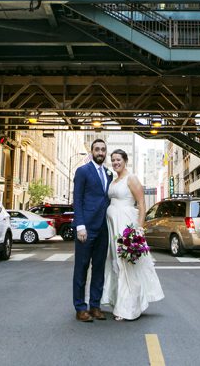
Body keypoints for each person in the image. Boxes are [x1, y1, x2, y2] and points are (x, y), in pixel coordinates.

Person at [101, 149, 164, 321]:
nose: (115, 163)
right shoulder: (114, 180)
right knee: (115, 263)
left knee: (126, 264)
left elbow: (142, 203)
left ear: (125, 160)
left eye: (118, 159)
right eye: (113, 160)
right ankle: (117, 301)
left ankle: (127, 307)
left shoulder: (132, 178)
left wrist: (139, 229)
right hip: (112, 225)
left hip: (126, 224)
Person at [72, 138, 112, 322]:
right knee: (81, 268)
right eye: (97, 149)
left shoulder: (108, 174)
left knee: (99, 268)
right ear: (91, 151)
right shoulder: (82, 171)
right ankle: (80, 308)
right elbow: (77, 199)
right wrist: (80, 225)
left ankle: (95, 305)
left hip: (103, 228)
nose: (100, 153)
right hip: (86, 228)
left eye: (103, 150)